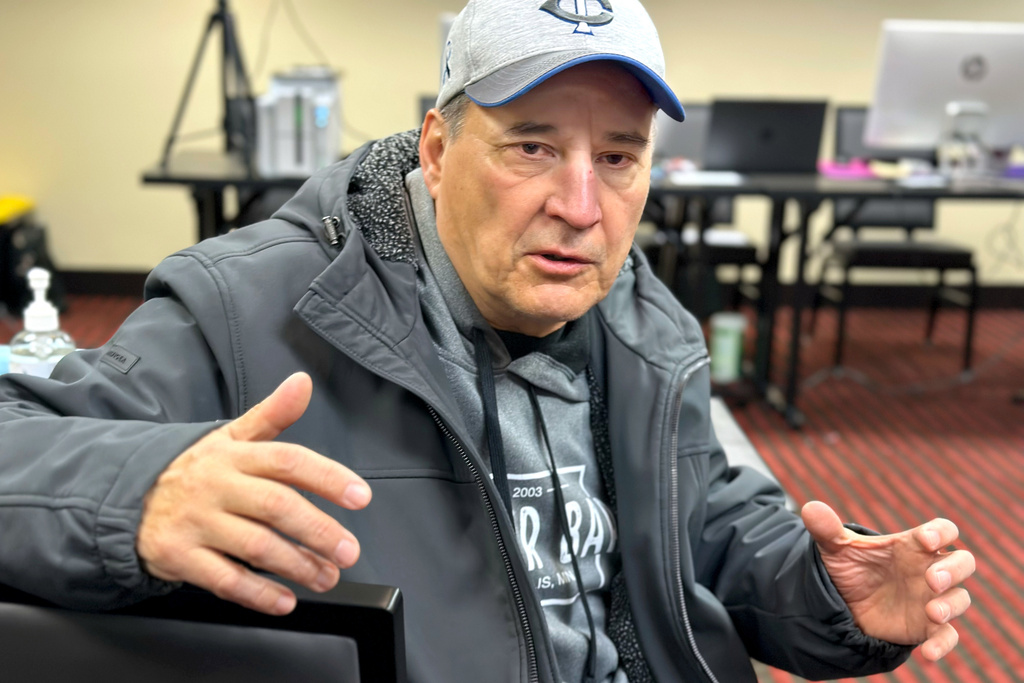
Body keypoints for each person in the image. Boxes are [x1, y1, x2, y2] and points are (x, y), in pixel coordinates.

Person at [0, 1, 975, 681]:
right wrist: (141, 486)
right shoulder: (246, 304)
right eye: (532, 146)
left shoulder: (646, 322)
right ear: (435, 149)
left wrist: (825, 594)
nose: (581, 206)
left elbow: (708, 521)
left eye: (619, 158)